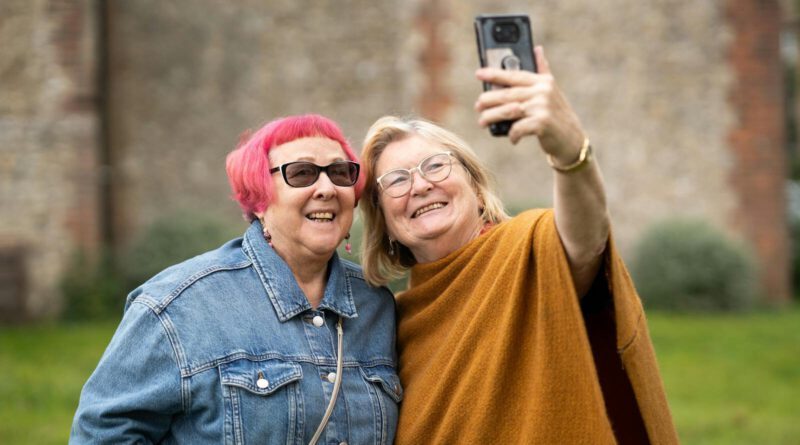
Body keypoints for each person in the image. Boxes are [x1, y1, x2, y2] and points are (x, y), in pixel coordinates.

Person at [359, 47, 679, 444]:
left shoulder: (528, 246)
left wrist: (569, 152)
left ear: (476, 189)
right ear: (384, 221)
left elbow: (585, 241)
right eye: (396, 180)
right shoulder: (392, 322)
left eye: (436, 165)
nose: (421, 185)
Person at [70, 114, 401, 444]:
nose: (327, 188)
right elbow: (102, 434)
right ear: (259, 199)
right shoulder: (177, 307)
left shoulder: (377, 306)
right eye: (302, 173)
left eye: (340, 173)